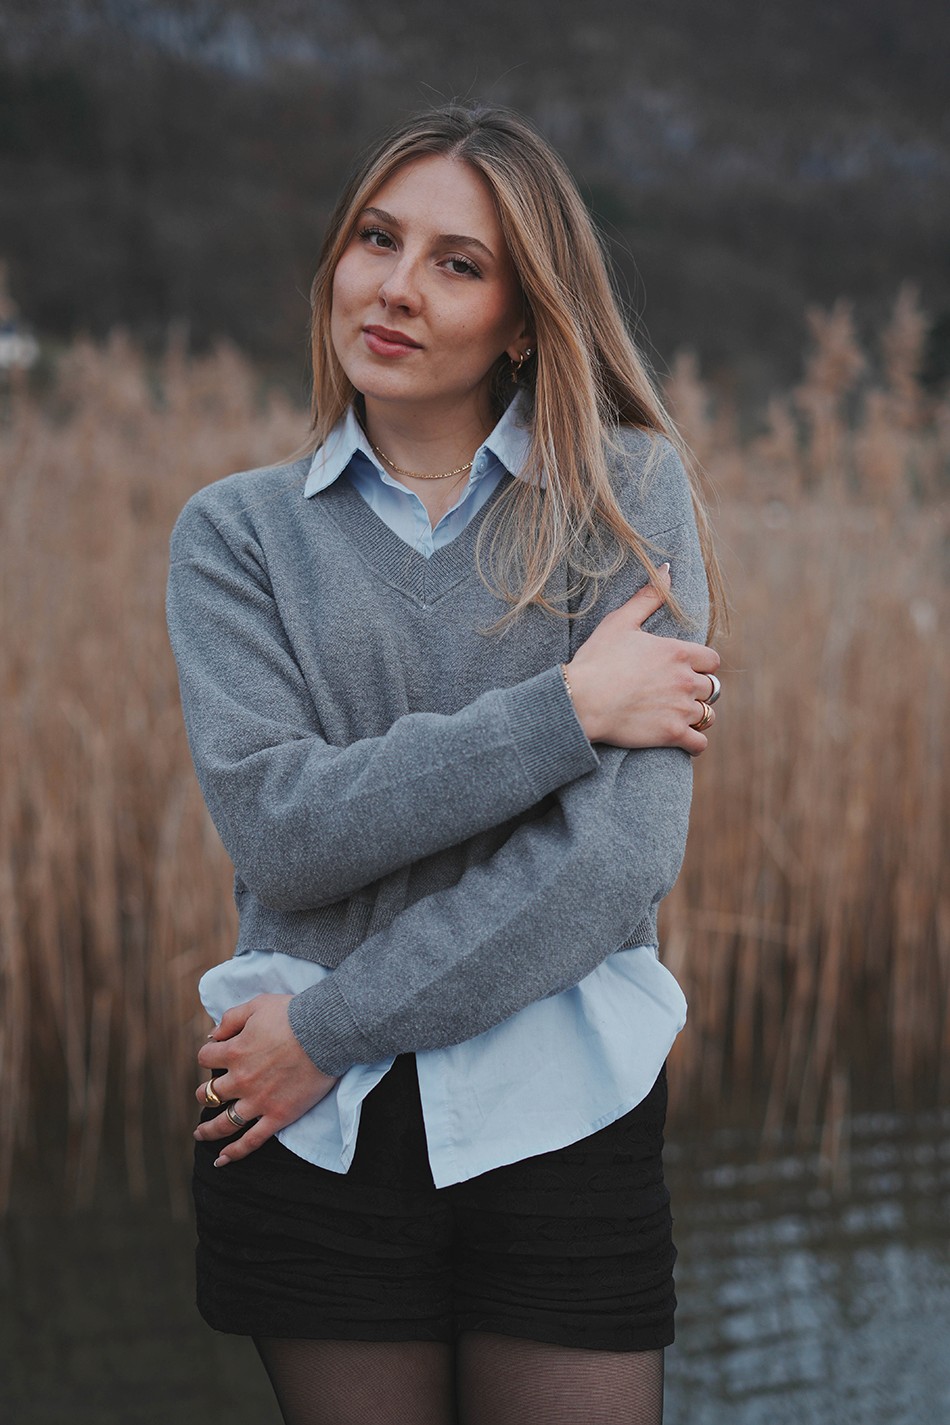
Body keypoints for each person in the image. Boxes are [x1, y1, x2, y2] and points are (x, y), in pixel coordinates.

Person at [166, 103, 723, 1425]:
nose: (396, 287)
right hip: (307, 1133)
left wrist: (332, 1026)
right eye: (376, 239)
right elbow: (283, 830)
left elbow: (614, 868)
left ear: (524, 317)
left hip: (553, 1109)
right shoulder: (235, 536)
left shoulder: (623, 500)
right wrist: (566, 711)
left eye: (456, 262)